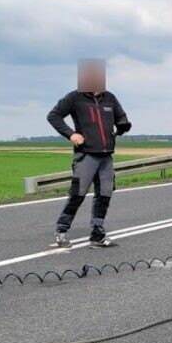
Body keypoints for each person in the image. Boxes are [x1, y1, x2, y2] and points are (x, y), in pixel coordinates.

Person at [47, 60, 131, 248]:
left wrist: (123, 126)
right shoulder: (75, 98)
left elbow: (121, 118)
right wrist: (71, 134)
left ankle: (97, 234)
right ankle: (61, 231)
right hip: (86, 155)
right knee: (78, 194)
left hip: (106, 155)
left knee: (105, 195)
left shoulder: (110, 98)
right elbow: (53, 116)